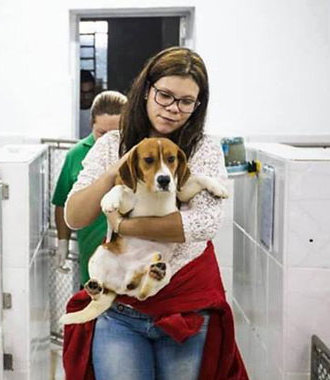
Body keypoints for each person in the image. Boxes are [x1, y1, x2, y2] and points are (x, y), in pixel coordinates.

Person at [62, 47, 247, 380]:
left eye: (186, 101)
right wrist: (112, 172)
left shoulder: (203, 148)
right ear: (147, 89)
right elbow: (74, 216)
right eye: (165, 95)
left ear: (197, 105)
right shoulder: (110, 144)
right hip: (121, 307)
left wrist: (123, 224)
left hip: (187, 305)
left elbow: (202, 224)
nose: (173, 109)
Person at [52, 91, 128, 280]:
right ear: (91, 124)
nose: (107, 141)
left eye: (115, 133)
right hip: (92, 248)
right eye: (101, 133)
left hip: (131, 249)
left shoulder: (138, 153)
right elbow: (62, 202)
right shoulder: (76, 155)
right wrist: (63, 242)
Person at [79, 70, 97, 138]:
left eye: (89, 92)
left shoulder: (98, 113)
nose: (86, 97)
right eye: (82, 93)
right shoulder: (69, 114)